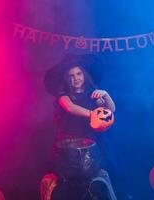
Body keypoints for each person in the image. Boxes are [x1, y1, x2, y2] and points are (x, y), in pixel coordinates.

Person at [41, 54, 117, 200]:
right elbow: (70, 107)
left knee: (99, 179)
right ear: (66, 79)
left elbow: (110, 110)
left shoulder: (93, 95)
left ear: (84, 75)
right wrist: (91, 114)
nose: (75, 78)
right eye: (70, 76)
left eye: (78, 74)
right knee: (68, 185)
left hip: (91, 144)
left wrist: (106, 96)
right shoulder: (64, 96)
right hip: (68, 146)